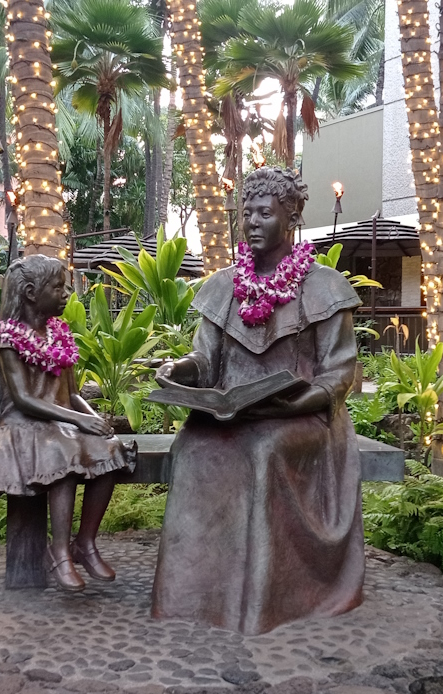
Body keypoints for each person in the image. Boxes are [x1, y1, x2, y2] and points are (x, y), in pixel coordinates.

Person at [151, 167, 365, 634]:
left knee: (263, 450)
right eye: (247, 213)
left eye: (264, 213)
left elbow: (340, 371)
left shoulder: (324, 286)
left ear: (291, 218)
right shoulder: (222, 285)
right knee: (191, 449)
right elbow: (204, 359)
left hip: (302, 417)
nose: (252, 222)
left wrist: (300, 402)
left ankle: (263, 603)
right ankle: (192, 598)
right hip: (233, 414)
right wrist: (178, 369)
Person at [0, 255, 135, 591]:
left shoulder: (59, 335)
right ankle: (58, 551)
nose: (67, 293)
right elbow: (24, 399)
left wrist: (93, 419)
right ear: (30, 292)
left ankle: (84, 543)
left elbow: (71, 395)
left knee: (112, 448)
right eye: (58, 287)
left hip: (58, 422)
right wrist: (77, 420)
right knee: (62, 450)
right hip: (22, 423)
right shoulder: (6, 338)